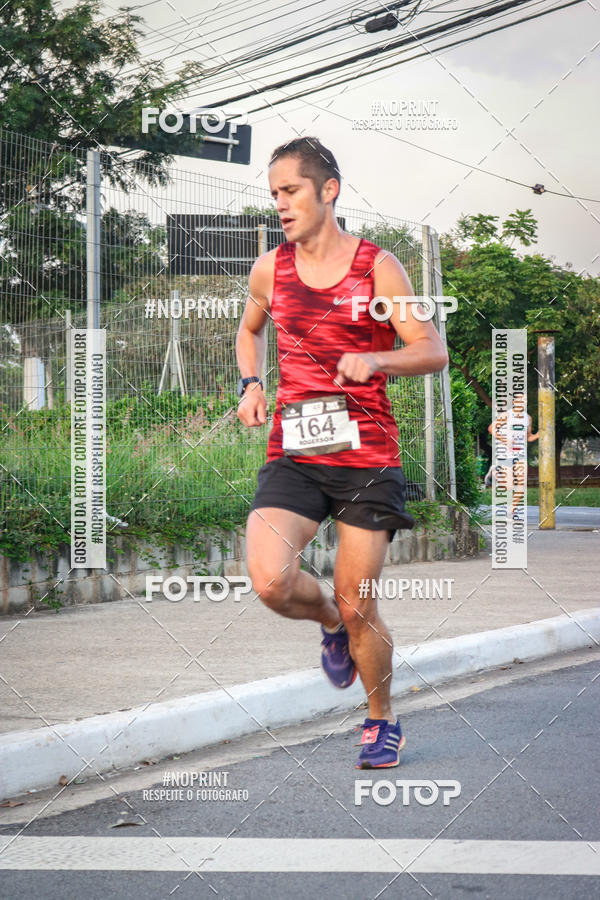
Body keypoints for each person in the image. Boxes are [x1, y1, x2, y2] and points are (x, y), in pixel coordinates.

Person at [235, 137, 448, 768]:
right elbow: (249, 330)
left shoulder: (378, 267)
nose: (280, 204)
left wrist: (378, 358)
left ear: (328, 190)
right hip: (296, 451)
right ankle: (329, 620)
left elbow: (431, 348)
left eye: (290, 191)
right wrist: (251, 384)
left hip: (366, 459)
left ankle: (381, 719)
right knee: (271, 582)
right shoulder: (269, 269)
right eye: (274, 194)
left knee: (361, 604)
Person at [488, 392, 539, 515]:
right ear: (514, 402)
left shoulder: (528, 418)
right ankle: (494, 471)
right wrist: (505, 440)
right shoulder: (507, 415)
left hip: (520, 455)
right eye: (521, 400)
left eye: (525, 400)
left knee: (521, 484)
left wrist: (538, 435)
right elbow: (491, 428)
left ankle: (512, 510)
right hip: (506, 454)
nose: (523, 403)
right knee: (509, 486)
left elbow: (529, 437)